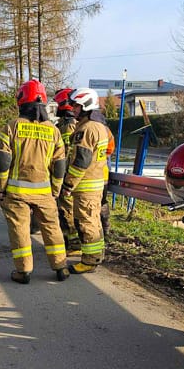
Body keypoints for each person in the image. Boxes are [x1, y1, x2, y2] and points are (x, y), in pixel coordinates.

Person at [0, 79, 69, 284]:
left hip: (16, 192)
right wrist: (55, 190)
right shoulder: (53, 131)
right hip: (45, 193)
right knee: (52, 228)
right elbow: (60, 164)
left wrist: (0, 189)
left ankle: (23, 271)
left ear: (21, 101)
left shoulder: (12, 127)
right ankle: (61, 266)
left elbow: (3, 161)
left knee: (20, 229)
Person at [61, 87, 111, 274]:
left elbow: (81, 161)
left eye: (76, 106)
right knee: (93, 221)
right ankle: (97, 254)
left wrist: (68, 184)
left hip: (86, 186)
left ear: (86, 106)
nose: (72, 109)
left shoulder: (87, 129)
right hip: (95, 183)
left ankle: (90, 260)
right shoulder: (99, 127)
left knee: (86, 222)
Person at [52, 88, 80, 254]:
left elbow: (69, 151)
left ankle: (73, 243)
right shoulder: (63, 124)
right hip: (64, 173)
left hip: (67, 174)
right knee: (63, 209)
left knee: (66, 209)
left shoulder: (69, 125)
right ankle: (69, 241)